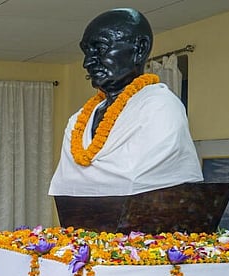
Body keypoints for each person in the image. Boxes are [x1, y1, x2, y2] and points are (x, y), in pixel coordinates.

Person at [48, 8, 203, 197]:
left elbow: (139, 181)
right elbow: (65, 185)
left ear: (140, 49)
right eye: (87, 52)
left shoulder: (160, 107)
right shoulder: (78, 121)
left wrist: (86, 180)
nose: (87, 62)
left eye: (100, 48)